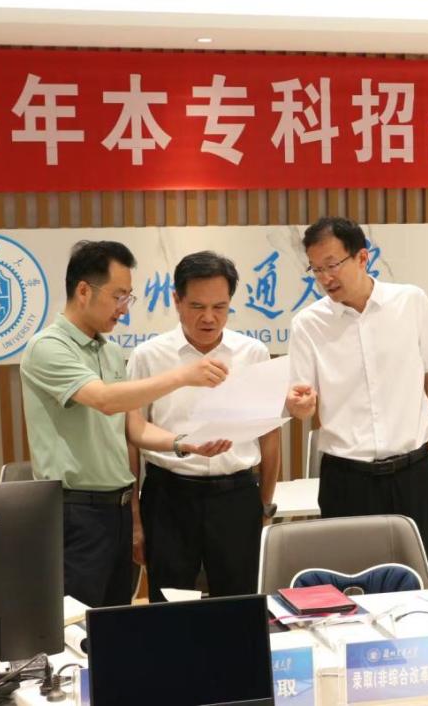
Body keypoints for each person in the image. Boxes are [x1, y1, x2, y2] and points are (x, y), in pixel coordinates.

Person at [20, 240, 231, 608]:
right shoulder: (48, 347)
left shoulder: (110, 351)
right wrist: (183, 376)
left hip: (115, 509)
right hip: (75, 510)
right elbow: (104, 400)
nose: (124, 308)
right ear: (83, 291)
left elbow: (133, 428)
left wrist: (184, 444)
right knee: (77, 624)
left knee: (116, 620)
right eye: (118, 296)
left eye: (128, 297)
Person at [285, 217, 428, 567]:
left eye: (332, 265)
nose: (325, 278)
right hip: (346, 479)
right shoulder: (308, 324)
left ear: (362, 258)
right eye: (316, 269)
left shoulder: (410, 302)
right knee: (349, 580)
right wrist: (299, 406)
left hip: (412, 472)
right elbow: (302, 404)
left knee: (416, 578)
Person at [127, 251, 282, 601]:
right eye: (197, 306)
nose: (209, 318)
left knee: (240, 604)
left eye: (220, 307)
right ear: (176, 300)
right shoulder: (148, 356)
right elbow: (132, 440)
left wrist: (265, 505)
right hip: (168, 497)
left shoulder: (252, 352)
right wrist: (136, 519)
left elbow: (270, 435)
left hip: (237, 496)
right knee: (169, 606)